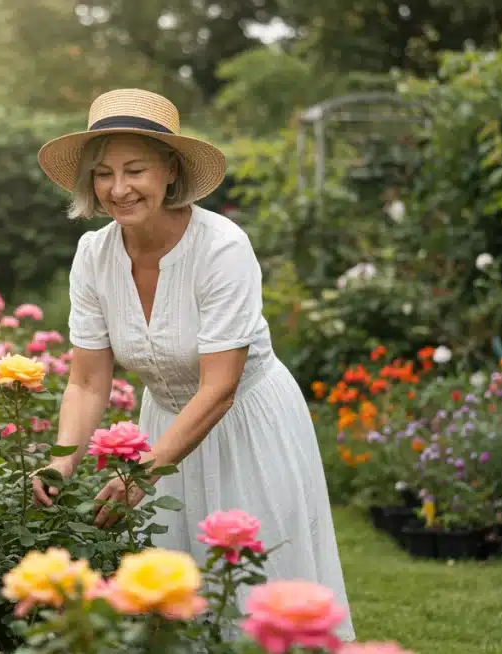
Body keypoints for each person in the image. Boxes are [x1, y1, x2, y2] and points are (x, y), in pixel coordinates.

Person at [29, 88, 355, 641]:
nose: (118, 188)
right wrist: (60, 463)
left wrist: (143, 472)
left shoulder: (221, 248)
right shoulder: (93, 256)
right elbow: (87, 382)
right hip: (166, 426)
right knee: (170, 606)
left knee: (257, 599)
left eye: (135, 169)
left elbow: (221, 386)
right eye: (104, 173)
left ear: (170, 170)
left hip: (247, 426)